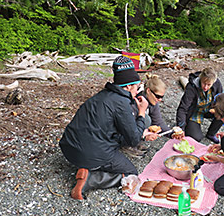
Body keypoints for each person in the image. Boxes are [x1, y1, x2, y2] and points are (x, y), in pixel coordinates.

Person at [59, 56, 154, 200]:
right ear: (128, 86)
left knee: (108, 140)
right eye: (136, 86)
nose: (137, 91)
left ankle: (89, 165)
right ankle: (90, 178)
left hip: (69, 148)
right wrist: (141, 113)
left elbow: (113, 131)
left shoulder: (102, 96)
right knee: (131, 173)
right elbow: (133, 140)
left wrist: (141, 133)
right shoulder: (121, 103)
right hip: (91, 152)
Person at [125, 74, 185, 157]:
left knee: (147, 121)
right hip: (125, 130)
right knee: (146, 120)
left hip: (137, 129)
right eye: (158, 96)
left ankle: (136, 142)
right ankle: (128, 145)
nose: (160, 100)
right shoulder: (136, 101)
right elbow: (127, 125)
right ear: (148, 91)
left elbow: (158, 122)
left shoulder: (153, 101)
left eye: (162, 97)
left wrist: (171, 134)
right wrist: (143, 136)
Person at [176, 67, 223, 143]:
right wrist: (181, 127)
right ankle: (192, 126)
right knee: (196, 137)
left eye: (209, 85)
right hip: (195, 111)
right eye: (204, 83)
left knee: (223, 112)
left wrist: (216, 109)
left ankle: (211, 134)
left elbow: (221, 99)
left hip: (209, 108)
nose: (205, 87)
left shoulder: (217, 84)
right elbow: (182, 108)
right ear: (200, 79)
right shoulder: (191, 87)